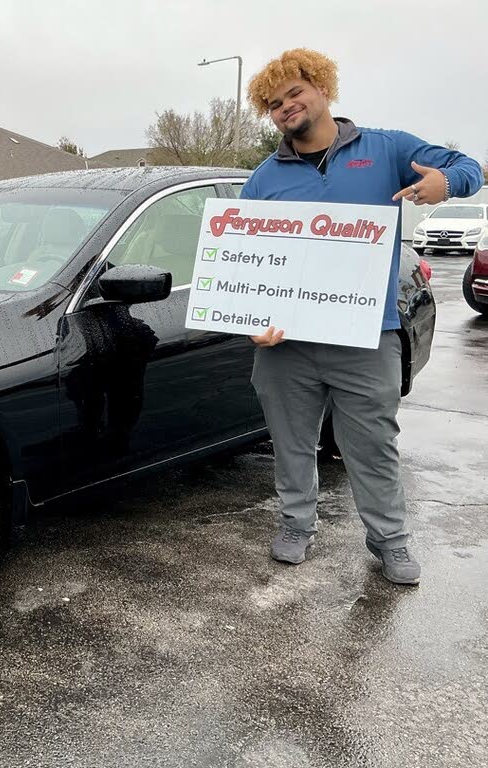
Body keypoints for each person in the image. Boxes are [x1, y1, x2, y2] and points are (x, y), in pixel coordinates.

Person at [240, 48, 483, 584]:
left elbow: (468, 166)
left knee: (373, 448)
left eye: (295, 92)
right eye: (274, 104)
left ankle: (390, 541)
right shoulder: (263, 179)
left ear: (323, 88)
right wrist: (252, 320)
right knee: (291, 444)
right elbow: (247, 258)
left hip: (368, 337)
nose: (286, 107)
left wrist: (447, 184)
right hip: (288, 345)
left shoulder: (386, 148)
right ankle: (296, 525)